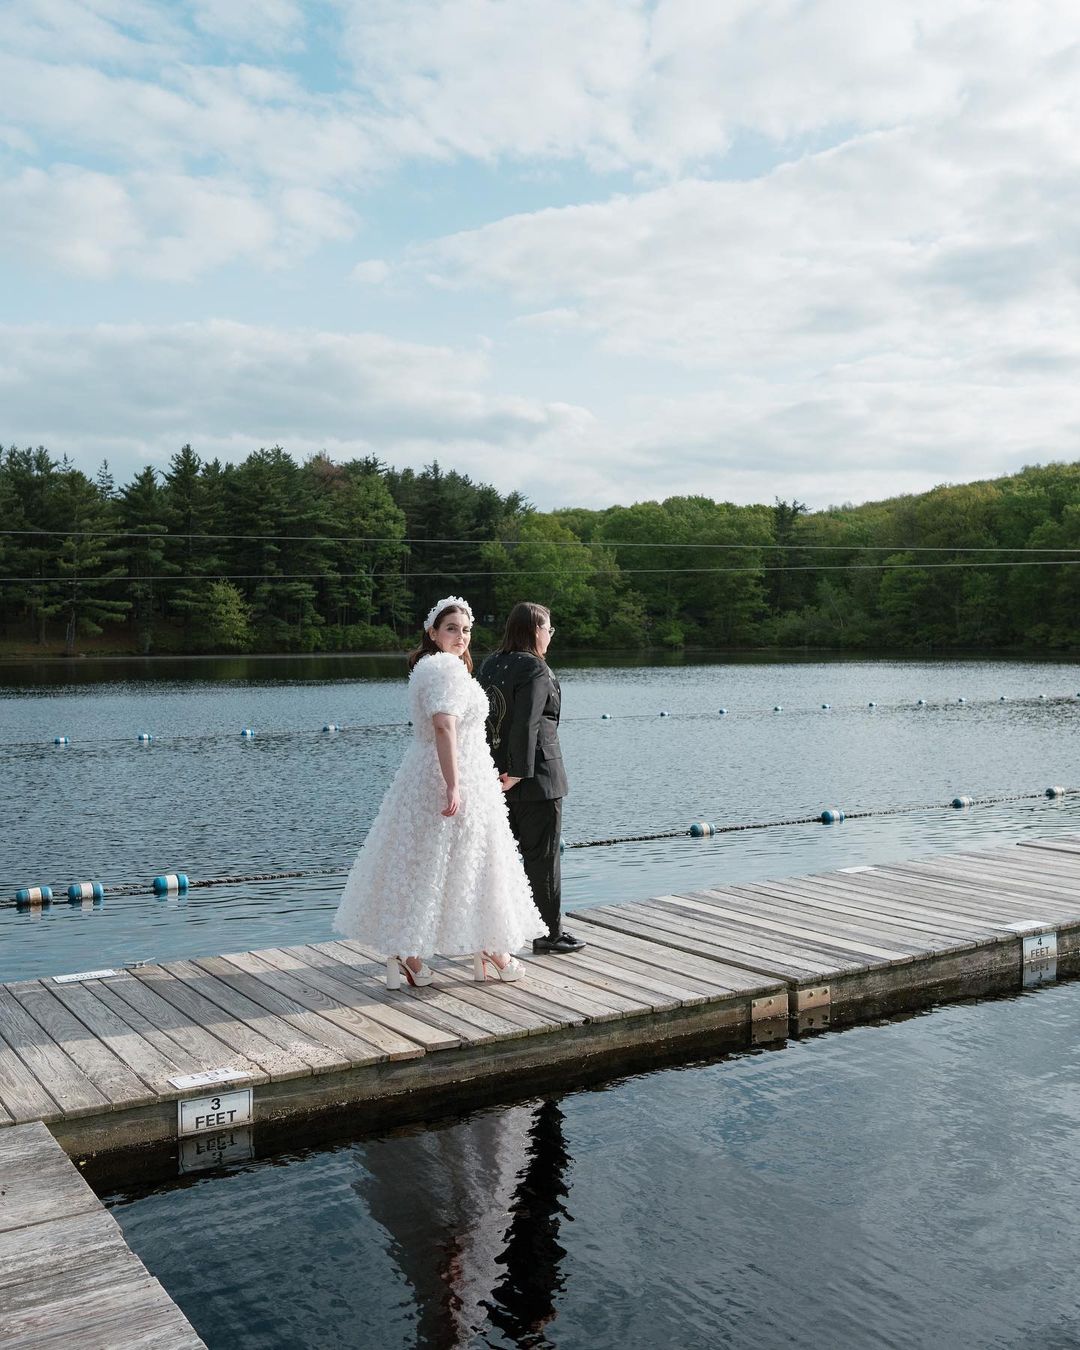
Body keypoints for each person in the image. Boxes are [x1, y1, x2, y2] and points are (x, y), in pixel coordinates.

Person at [333, 596, 543, 987]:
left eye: (466, 630)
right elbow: (444, 726)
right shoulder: (444, 669)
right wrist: (453, 784)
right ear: (432, 633)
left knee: (433, 863)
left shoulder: (433, 667)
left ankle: (416, 953)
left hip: (442, 772)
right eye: (451, 629)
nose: (461, 637)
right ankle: (487, 950)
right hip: (450, 776)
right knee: (465, 863)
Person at [477, 602, 585, 955]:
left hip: (494, 776)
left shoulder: (490, 664)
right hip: (537, 779)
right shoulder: (535, 668)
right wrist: (519, 772)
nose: (550, 636)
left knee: (499, 861)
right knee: (542, 859)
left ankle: (494, 934)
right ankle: (549, 934)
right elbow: (527, 723)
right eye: (548, 629)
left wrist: (498, 771)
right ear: (535, 630)